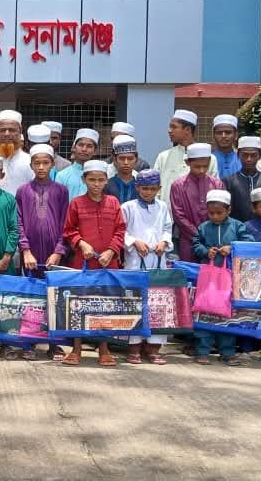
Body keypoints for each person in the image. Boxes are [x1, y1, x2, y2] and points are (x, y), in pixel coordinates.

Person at [61, 159, 126, 367]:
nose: (96, 184)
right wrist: (81, 243)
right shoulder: (76, 203)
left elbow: (121, 230)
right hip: (83, 262)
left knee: (106, 304)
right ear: (84, 180)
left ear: (107, 180)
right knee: (79, 304)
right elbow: (68, 230)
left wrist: (111, 251)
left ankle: (104, 349)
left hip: (108, 263)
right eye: (92, 180)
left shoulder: (114, 203)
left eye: (100, 180)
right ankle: (76, 349)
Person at [192, 189, 253, 366]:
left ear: (229, 210)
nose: (215, 216)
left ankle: (227, 352)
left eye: (219, 213)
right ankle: (202, 350)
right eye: (211, 213)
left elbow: (248, 242)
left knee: (227, 315)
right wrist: (205, 251)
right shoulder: (204, 227)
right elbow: (195, 244)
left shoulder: (237, 226)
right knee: (205, 311)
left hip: (230, 279)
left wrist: (232, 248)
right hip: (208, 279)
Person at [121, 169, 172, 365]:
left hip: (157, 259)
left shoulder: (162, 206)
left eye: (152, 189)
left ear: (159, 188)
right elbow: (121, 231)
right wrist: (134, 242)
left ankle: (154, 348)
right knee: (135, 301)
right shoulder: (128, 207)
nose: (148, 192)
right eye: (144, 188)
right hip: (135, 260)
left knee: (157, 303)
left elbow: (167, 228)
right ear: (137, 188)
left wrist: (164, 242)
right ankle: (133, 347)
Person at [17, 144, 69, 278]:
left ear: (53, 164)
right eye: (37, 163)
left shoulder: (61, 190)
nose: (41, 167)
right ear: (31, 165)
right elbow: (18, 222)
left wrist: (58, 251)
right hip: (30, 253)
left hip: (54, 252)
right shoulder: (23, 191)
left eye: (45, 163)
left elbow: (65, 223)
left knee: (53, 287)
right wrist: (26, 250)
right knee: (31, 287)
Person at [169, 143, 224, 262]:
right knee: (190, 271)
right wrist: (199, 235)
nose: (201, 170)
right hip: (188, 241)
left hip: (214, 242)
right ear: (187, 162)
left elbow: (223, 211)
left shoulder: (217, 184)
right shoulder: (178, 186)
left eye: (205, 166)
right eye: (197, 167)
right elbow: (179, 217)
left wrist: (210, 235)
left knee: (213, 272)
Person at [154, 110, 219, 203]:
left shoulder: (210, 159)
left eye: (174, 127)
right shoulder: (163, 157)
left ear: (187, 130)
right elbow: (155, 190)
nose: (169, 131)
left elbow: (214, 192)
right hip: (167, 211)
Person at [223, 136, 261, 223]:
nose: (249, 159)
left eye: (253, 155)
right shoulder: (228, 181)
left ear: (259, 156)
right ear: (238, 155)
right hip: (237, 229)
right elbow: (225, 211)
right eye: (245, 155)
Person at [0, 110, 35, 195]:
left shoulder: (30, 161)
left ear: (20, 131)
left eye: (12, 130)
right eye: (2, 130)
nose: (7, 134)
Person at [53, 128, 100, 199]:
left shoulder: (100, 176)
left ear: (95, 151)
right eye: (81, 145)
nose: (84, 149)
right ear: (74, 148)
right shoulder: (62, 175)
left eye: (89, 146)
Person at [104, 135, 140, 204]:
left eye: (130, 159)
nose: (126, 162)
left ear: (136, 159)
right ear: (115, 159)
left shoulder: (141, 185)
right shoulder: (107, 184)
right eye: (122, 158)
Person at [211, 114, 242, 179]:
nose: (223, 136)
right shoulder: (208, 159)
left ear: (236, 135)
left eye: (228, 132)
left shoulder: (242, 159)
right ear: (213, 136)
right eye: (219, 133)